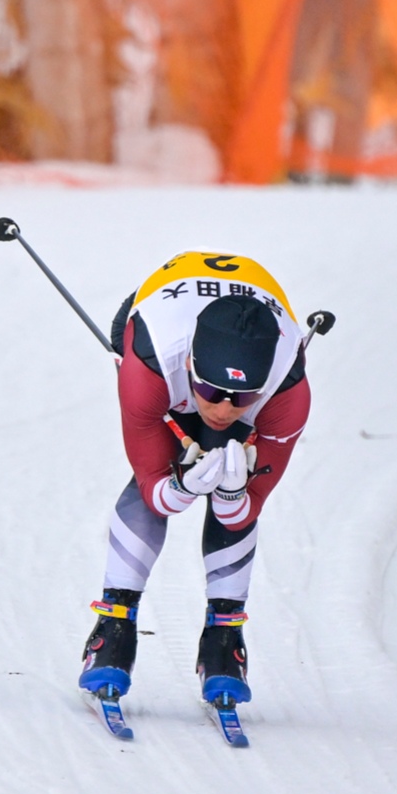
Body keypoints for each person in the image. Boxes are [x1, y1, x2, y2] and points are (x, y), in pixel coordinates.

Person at [79, 249, 311, 708]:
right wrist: (180, 486)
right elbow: (153, 487)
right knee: (165, 467)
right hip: (153, 320)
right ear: (189, 365)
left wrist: (233, 493)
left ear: (264, 384)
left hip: (234, 329)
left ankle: (225, 636)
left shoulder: (288, 390)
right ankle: (113, 625)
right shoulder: (151, 363)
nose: (223, 409)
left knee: (232, 468)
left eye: (242, 396)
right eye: (209, 390)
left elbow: (248, 508)